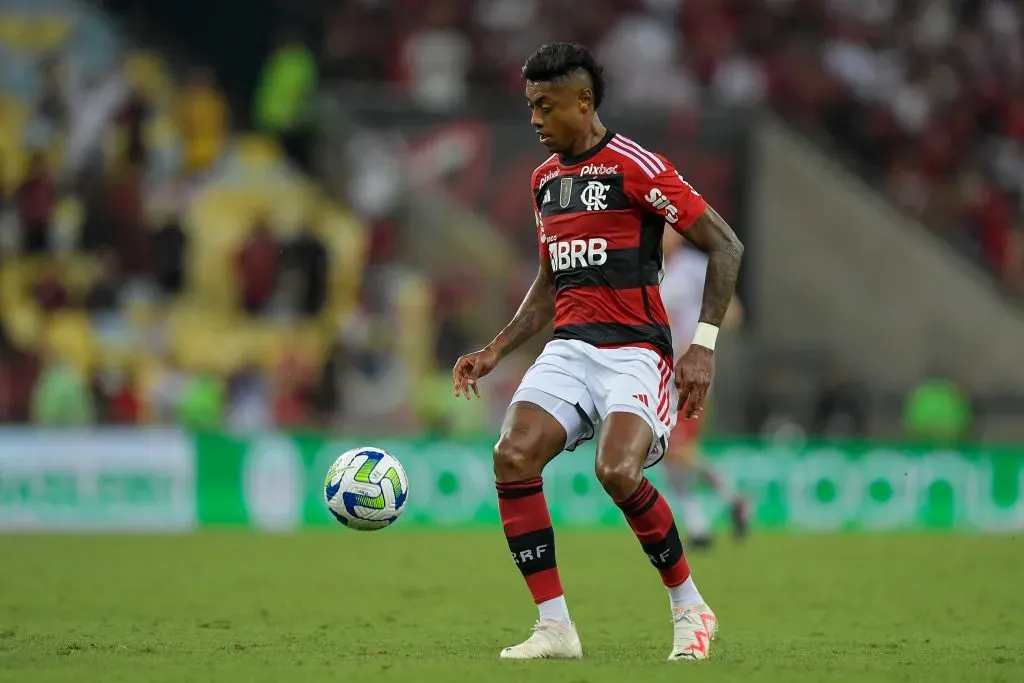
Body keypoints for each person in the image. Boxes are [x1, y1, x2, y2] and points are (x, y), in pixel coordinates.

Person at [452, 43, 743, 662]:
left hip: (636, 351)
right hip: (569, 348)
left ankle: (692, 607)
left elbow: (725, 246)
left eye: (545, 105)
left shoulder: (636, 168)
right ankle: (554, 627)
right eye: (529, 105)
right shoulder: (545, 183)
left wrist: (704, 347)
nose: (534, 119)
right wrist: (495, 351)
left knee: (617, 473)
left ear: (583, 102)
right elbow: (551, 281)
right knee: (513, 455)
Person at [659, 228, 749, 548]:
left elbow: (733, 313)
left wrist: (700, 343)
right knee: (670, 455)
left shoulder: (695, 268)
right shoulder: (649, 269)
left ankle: (703, 521)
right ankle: (721, 509)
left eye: (666, 229)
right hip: (657, 373)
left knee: (675, 449)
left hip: (691, 374)